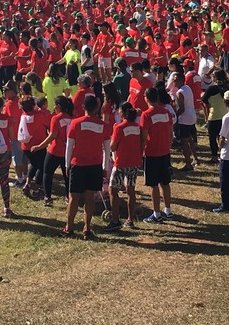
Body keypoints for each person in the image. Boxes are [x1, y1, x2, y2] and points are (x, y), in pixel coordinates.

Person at [62, 94, 111, 239]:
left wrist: (67, 164)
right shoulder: (103, 126)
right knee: (90, 197)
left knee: (73, 198)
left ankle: (69, 228)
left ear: (83, 107)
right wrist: (105, 167)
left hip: (77, 164)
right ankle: (87, 228)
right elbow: (107, 149)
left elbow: (69, 146)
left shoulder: (76, 123)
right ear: (97, 108)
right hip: (95, 165)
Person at [106, 102, 144, 230]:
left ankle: (115, 220)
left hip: (121, 162)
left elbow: (112, 146)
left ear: (123, 112)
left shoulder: (119, 127)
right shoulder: (138, 127)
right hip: (134, 162)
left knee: (113, 190)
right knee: (131, 190)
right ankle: (130, 220)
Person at [141, 86, 175, 223]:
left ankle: (156, 213)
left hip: (152, 153)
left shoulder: (146, 114)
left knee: (153, 184)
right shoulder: (166, 112)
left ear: (147, 99)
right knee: (165, 182)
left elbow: (144, 138)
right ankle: (168, 209)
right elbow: (170, 132)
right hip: (165, 152)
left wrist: (140, 152)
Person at [33, 95, 72, 207]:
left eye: (55, 105)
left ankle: (47, 197)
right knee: (67, 175)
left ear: (59, 106)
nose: (53, 107)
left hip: (55, 151)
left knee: (47, 172)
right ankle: (68, 197)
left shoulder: (56, 118)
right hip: (67, 152)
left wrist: (40, 146)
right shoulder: (72, 119)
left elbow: (52, 136)